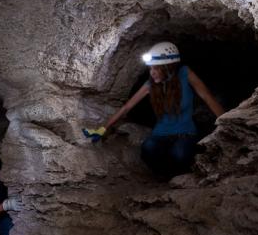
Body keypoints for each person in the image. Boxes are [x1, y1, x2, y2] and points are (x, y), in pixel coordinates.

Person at [83, 41, 225, 177]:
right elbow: (126, 107)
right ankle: (165, 177)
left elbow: (207, 97)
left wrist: (226, 124)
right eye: (151, 68)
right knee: (148, 150)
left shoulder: (185, 73)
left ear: (169, 66)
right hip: (161, 134)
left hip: (186, 133)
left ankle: (183, 174)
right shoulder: (150, 84)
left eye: (156, 68)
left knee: (180, 155)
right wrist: (103, 129)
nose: (152, 72)